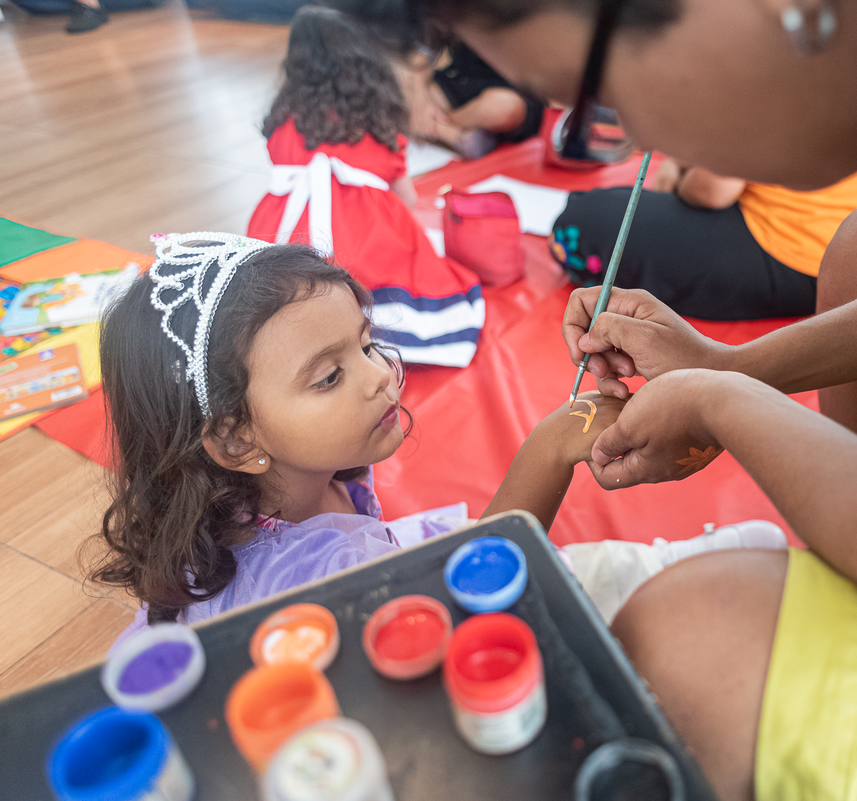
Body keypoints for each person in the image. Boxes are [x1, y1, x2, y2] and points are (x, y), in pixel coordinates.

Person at [336, 0, 857, 798]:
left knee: (697, 646)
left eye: (596, 95)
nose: (630, 138)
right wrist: (731, 367)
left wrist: (728, 405)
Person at [91, 233, 623, 645]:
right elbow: (464, 611)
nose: (377, 377)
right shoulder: (316, 582)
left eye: (365, 346)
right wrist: (549, 451)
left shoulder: (282, 478)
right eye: (328, 377)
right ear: (235, 442)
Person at [247, 6, 485, 369]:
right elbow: (405, 197)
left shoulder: (283, 121)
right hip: (363, 240)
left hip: (285, 234)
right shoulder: (378, 122)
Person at [549, 137, 857, 320]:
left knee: (576, 225)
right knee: (601, 202)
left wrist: (679, 177)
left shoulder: (773, 70)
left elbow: (711, 192)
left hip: (791, 259)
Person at [397, 42, 547, 159]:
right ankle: (456, 136)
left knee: (500, 107)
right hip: (459, 83)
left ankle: (440, 127)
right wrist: (419, 100)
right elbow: (425, 52)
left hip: (510, 97)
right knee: (396, 81)